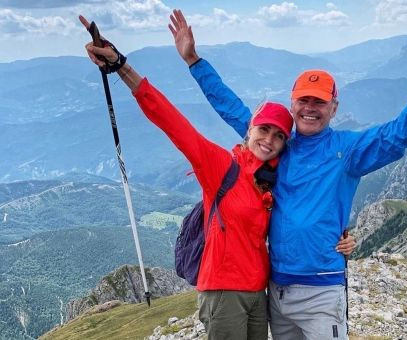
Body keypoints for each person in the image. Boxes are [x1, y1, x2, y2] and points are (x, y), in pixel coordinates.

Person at [168, 8, 407, 339]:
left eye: (319, 102)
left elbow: (401, 134)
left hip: (322, 290)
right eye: (303, 99)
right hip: (276, 289)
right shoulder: (277, 145)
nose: (310, 108)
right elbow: (230, 106)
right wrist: (194, 62)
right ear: (292, 105)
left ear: (334, 108)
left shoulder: (348, 151)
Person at [79, 16, 295, 339]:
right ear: (250, 130)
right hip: (223, 291)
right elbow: (170, 119)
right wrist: (121, 65)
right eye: (264, 130)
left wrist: (341, 235)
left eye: (279, 136)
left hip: (257, 292)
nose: (269, 140)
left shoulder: (272, 177)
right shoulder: (220, 165)